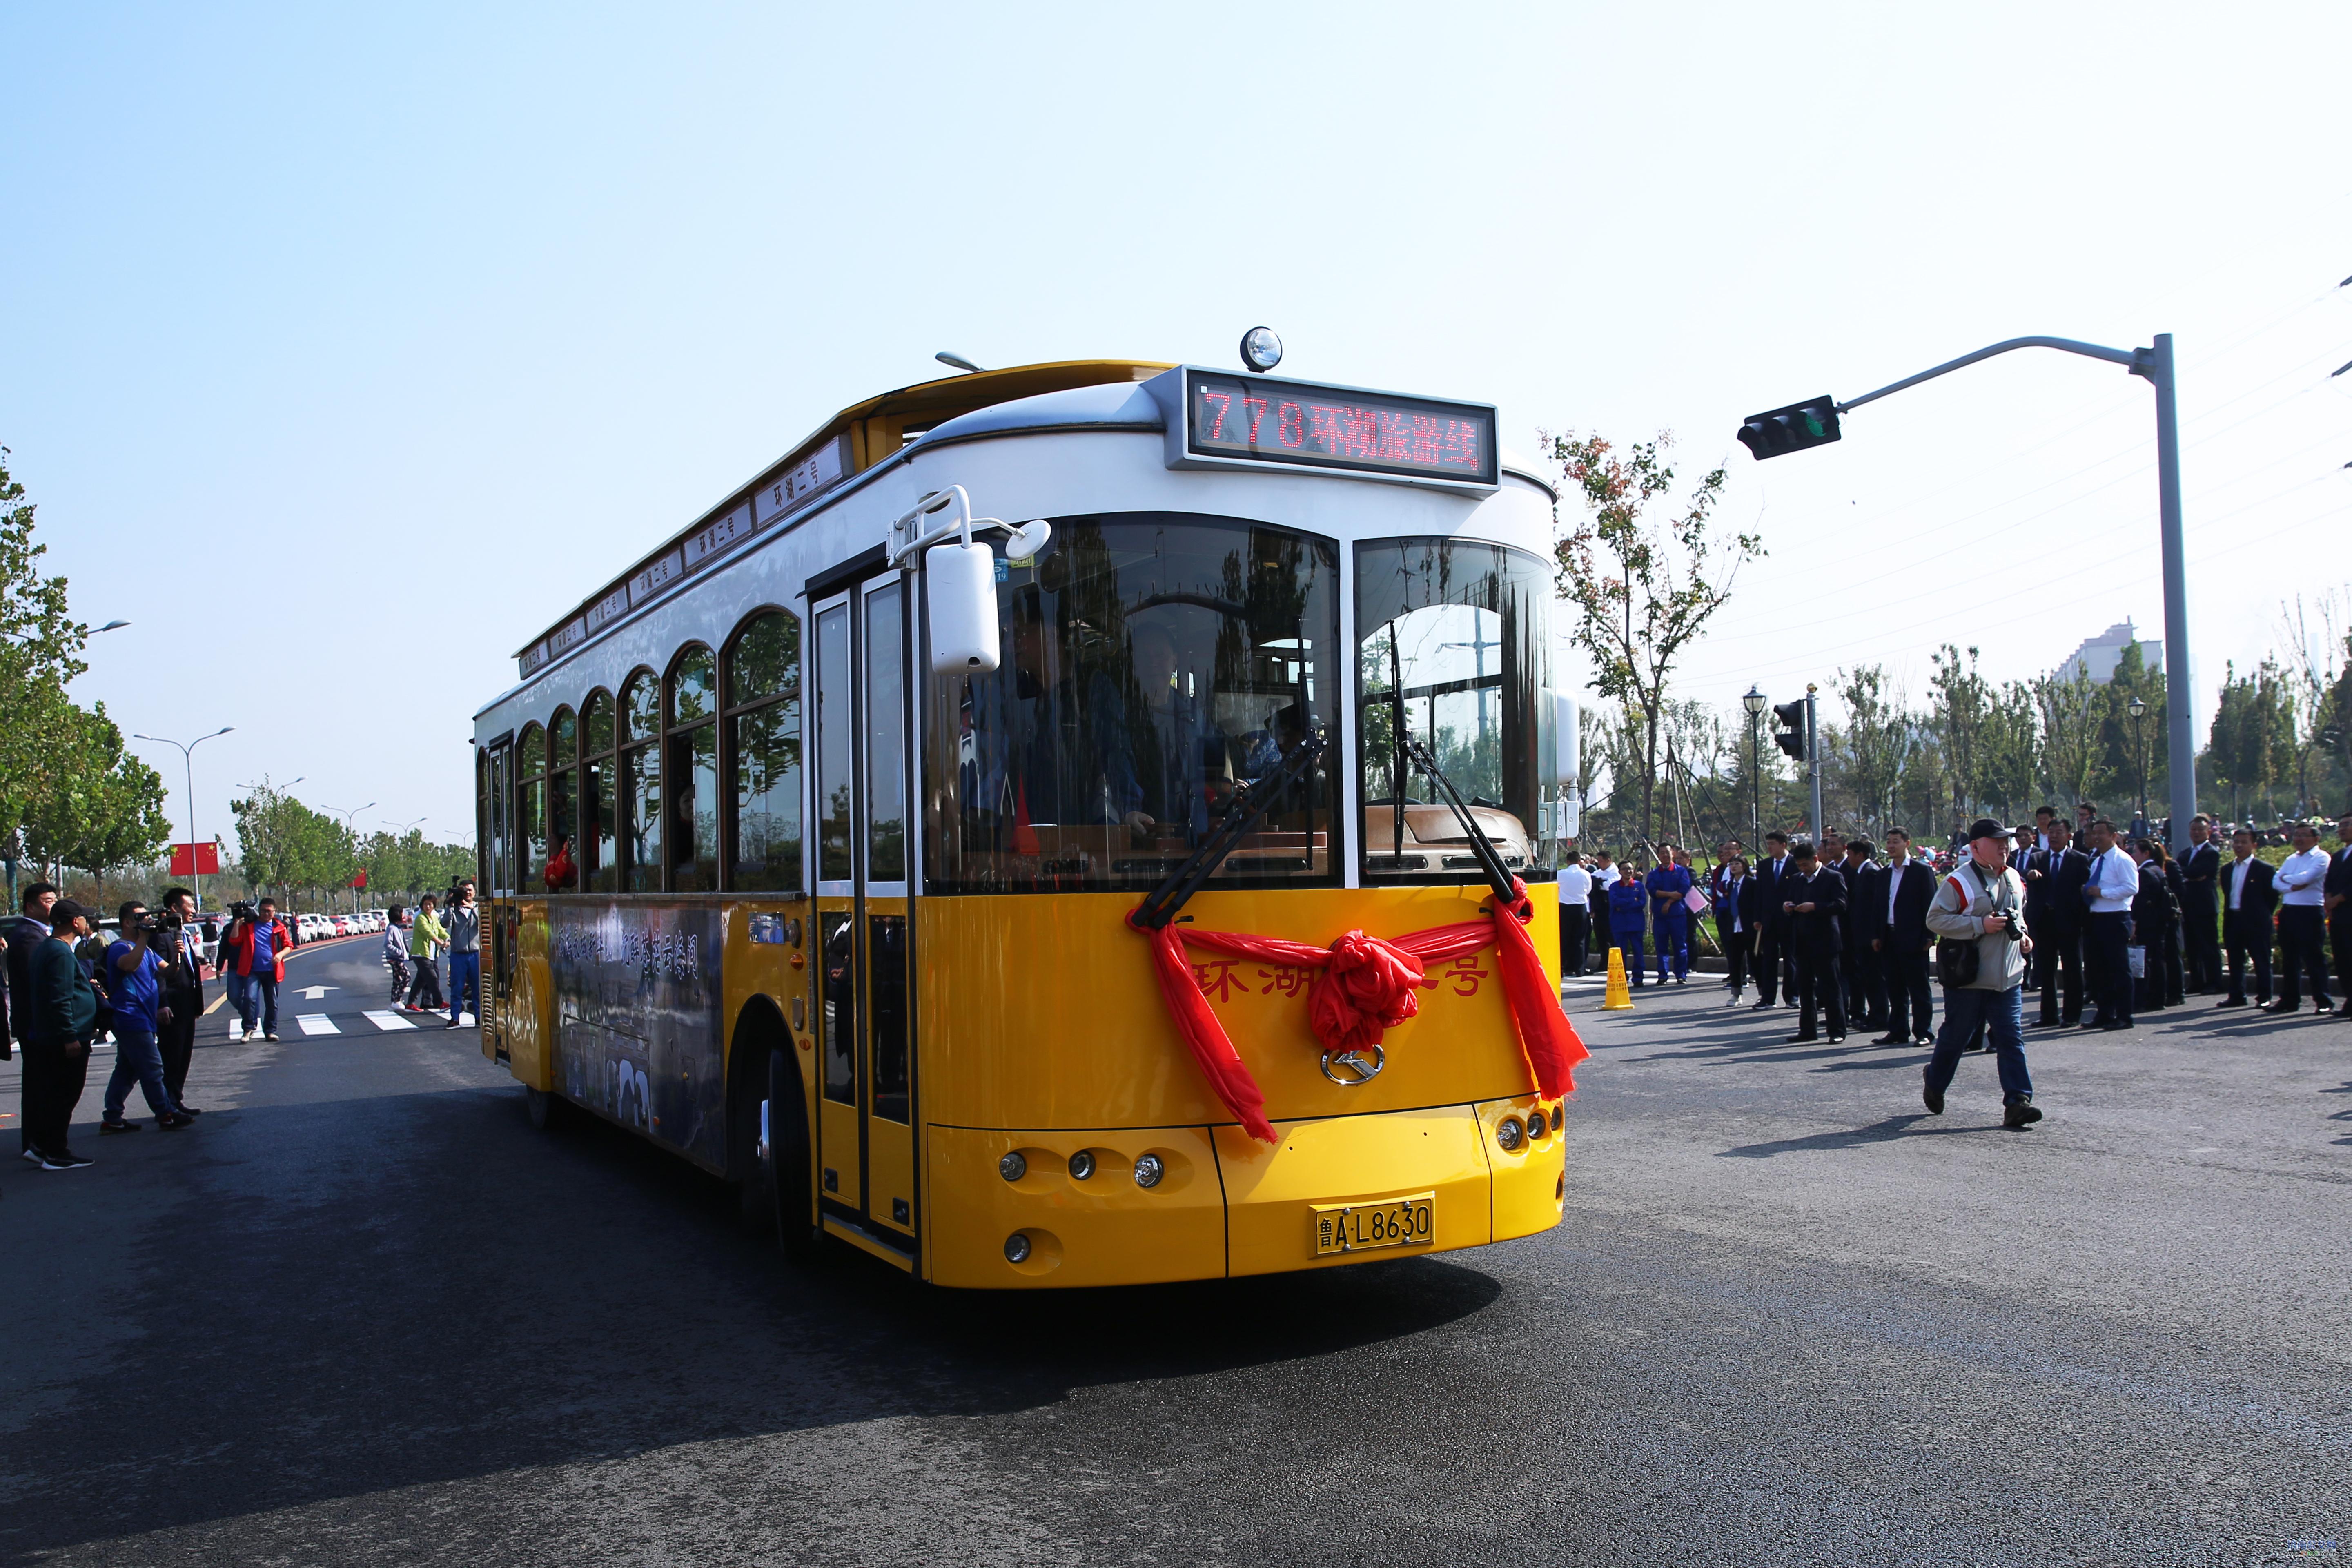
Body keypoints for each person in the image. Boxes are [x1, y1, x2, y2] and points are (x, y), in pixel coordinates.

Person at [1922, 817, 2040, 1127]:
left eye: (2007, 841)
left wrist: (2024, 937)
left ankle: (2018, 1101)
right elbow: (1935, 921)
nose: (2005, 846)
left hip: (2008, 977)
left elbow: (2019, 915)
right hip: (1969, 978)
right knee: (1956, 1038)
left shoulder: (2014, 877)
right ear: (1975, 847)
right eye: (1996, 841)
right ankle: (1934, 1080)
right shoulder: (1958, 882)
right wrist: (1979, 926)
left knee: (2011, 1038)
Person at [98, 901, 196, 1134]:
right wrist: (143, 938)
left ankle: (112, 1117)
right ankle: (165, 1113)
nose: (146, 921)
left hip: (144, 1017)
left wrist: (178, 957)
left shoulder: (148, 950)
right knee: (153, 1068)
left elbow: (168, 972)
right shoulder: (120, 948)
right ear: (127, 922)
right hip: (130, 1017)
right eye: (140, 918)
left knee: (127, 1070)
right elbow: (129, 966)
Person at [22, 899, 101, 1168]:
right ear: (73, 922)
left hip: (52, 1035)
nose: (86, 922)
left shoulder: (50, 948)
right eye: (83, 917)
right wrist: (70, 1037)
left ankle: (42, 1145)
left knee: (52, 1094)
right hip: (66, 1037)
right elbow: (60, 998)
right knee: (64, 1095)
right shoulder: (58, 951)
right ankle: (56, 1152)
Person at [1871, 827, 1938, 1046]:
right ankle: (1898, 1031)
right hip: (1889, 937)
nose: (1891, 846)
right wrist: (1876, 934)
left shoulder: (1921, 871)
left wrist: (1930, 935)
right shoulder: (1884, 874)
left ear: (1907, 844)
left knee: (1918, 988)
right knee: (1895, 988)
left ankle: (1924, 1032)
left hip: (1914, 938)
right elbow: (1879, 907)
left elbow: (1930, 904)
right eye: (1889, 842)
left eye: (1896, 842)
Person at [8, 882, 61, 1160]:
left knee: (40, 1085)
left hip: (35, 1024)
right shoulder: (30, 937)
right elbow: (40, 979)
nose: (54, 904)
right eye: (48, 900)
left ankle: (37, 1143)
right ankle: (38, 1144)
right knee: (41, 1086)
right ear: (31, 905)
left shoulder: (36, 934)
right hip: (36, 1025)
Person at [1779, 841, 1848, 1043]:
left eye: (1805, 865)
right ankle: (1808, 1030)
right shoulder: (1798, 880)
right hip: (1803, 941)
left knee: (1830, 987)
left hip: (1826, 941)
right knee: (1805, 988)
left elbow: (1841, 905)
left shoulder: (1833, 877)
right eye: (1799, 866)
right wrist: (1788, 907)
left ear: (1816, 860)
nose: (1803, 869)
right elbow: (1791, 900)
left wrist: (1815, 907)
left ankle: (1837, 1030)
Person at [2267, 822, 2335, 1015]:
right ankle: (2289, 1000)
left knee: (2314, 958)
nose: (2299, 839)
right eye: (2297, 835)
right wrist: (2290, 883)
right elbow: (2275, 881)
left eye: (2304, 835)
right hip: (2290, 910)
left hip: (2310, 911)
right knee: (2290, 958)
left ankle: (2323, 1000)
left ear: (2316, 838)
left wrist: (2287, 879)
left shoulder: (2322, 857)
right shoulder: (2292, 858)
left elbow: (2306, 878)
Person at [2027, 820, 2089, 1027]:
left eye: (2059, 832)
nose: (2054, 836)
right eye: (2051, 832)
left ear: (2069, 836)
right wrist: (2030, 875)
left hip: (2070, 922)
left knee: (2072, 969)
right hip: (2044, 922)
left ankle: (2072, 1015)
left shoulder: (2080, 860)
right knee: (2045, 970)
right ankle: (2048, 1015)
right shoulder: (2037, 858)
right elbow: (2025, 878)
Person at [2080, 818, 2139, 1031]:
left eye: (2101, 833)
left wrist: (2103, 893)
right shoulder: (2097, 860)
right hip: (2098, 917)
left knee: (2119, 969)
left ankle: (2125, 1015)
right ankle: (2105, 1013)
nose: (2096, 837)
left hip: (2116, 917)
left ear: (2113, 836)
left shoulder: (2122, 860)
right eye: (2094, 833)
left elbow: (2131, 888)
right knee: (2099, 970)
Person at [2216, 826, 2278, 1008]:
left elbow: (2272, 897)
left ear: (2254, 845)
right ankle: (2237, 995)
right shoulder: (2227, 869)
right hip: (2234, 918)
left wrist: (2261, 914)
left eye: (2244, 842)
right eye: (2236, 842)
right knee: (2235, 960)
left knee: (2261, 959)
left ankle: (2264, 996)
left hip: (2256, 921)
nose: (2239, 846)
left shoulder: (2264, 869)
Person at [219, 896, 291, 1041]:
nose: (266, 914)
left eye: (269, 911)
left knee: (272, 1003)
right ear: (259, 911)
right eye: (263, 911)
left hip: (272, 971)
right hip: (252, 970)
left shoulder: (279, 927)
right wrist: (238, 922)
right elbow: (234, 941)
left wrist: (280, 955)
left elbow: (289, 946)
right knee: (249, 999)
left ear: (274, 911)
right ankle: (248, 1030)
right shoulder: (249, 926)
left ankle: (270, 1031)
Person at [2130, 840, 2182, 1013]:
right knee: (2158, 960)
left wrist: (2135, 922)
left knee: (2149, 962)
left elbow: (2142, 902)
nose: (2133, 855)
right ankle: (2158, 997)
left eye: (2136, 851)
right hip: (2160, 922)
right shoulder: (2159, 870)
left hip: (2149, 923)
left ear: (2146, 854)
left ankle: (2150, 997)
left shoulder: (2146, 873)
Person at [1839, 837, 1884, 1028]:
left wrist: (1875, 934)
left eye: (1850, 854)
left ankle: (1880, 1018)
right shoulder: (1860, 873)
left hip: (1869, 937)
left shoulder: (1871, 872)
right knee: (1867, 979)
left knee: (1875, 980)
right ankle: (1873, 1016)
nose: (1848, 858)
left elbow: (1875, 907)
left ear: (1860, 855)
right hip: (1860, 935)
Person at [1749, 830, 1797, 1011]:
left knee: (1791, 959)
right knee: (1769, 959)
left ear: (1783, 845)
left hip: (1789, 919)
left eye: (1772, 844)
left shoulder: (1794, 864)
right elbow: (1759, 893)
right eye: (1768, 844)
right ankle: (1768, 998)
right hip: (1768, 920)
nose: (1769, 848)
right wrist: (1757, 918)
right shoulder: (1765, 865)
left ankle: (1792, 996)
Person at [2178, 815, 2223, 993]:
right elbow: (2178, 873)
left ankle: (2214, 982)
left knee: (2208, 946)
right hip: (2188, 905)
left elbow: (2198, 872)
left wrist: (2189, 875)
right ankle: (2197, 982)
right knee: (2192, 947)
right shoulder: (2185, 854)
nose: (2196, 833)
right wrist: (2190, 876)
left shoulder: (2211, 853)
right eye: (2194, 830)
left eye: (2200, 830)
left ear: (2209, 832)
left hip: (2205, 906)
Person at [1644, 843, 1694, 986]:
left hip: (1678, 914)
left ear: (1672, 853)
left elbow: (1683, 891)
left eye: (1668, 852)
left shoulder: (1681, 872)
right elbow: (1653, 891)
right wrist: (1670, 895)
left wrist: (1668, 902)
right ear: (1658, 855)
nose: (1665, 856)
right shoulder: (1654, 873)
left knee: (1680, 945)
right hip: (1660, 916)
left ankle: (1681, 975)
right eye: (1662, 853)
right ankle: (1663, 975)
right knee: (1661, 946)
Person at [1717, 856, 1757, 1002]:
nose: (1734, 867)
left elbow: (1757, 904)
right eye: (1731, 864)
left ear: (1744, 866)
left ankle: (1764, 994)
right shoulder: (1730, 884)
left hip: (1749, 927)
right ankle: (1736, 993)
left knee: (1756, 961)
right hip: (1734, 927)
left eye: (1737, 864)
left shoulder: (1751, 883)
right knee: (1735, 962)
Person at [1606, 858, 1648, 987]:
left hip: (1636, 924)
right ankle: (1622, 977)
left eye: (1630, 869)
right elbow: (1615, 902)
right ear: (1620, 871)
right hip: (1620, 925)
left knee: (1638, 952)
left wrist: (1624, 903)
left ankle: (1639, 977)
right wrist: (1632, 901)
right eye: (1625, 869)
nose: (1628, 871)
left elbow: (1641, 903)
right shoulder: (1614, 887)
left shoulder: (1638, 886)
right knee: (1620, 953)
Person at [445, 882, 481, 1028]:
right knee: (457, 988)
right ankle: (455, 1018)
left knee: (478, 988)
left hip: (475, 953)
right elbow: (444, 924)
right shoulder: (455, 910)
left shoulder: (478, 908)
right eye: (464, 891)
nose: (467, 893)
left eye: (470, 890)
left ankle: (479, 1017)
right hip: (458, 954)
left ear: (474, 892)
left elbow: (486, 922)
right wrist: (450, 906)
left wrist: (473, 909)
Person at [2327, 809, 2352, 1019]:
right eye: (2341, 825)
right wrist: (2328, 900)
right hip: (2338, 916)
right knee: (2342, 959)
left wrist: (2339, 899)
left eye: (2347, 825)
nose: (2342, 829)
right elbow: (2330, 881)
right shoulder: (2339, 855)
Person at [409, 895, 449, 1011]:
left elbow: (441, 930)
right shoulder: (421, 918)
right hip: (421, 954)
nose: (428, 907)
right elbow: (428, 934)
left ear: (434, 906)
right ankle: (440, 1002)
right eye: (426, 904)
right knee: (432, 977)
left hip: (431, 954)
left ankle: (410, 1003)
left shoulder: (434, 918)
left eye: (430, 904)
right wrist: (441, 943)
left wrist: (448, 939)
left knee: (420, 980)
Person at [1587, 851, 1618, 966]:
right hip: (1598, 909)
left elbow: (1609, 886)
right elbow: (1592, 883)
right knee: (1601, 937)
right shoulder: (1599, 872)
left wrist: (1599, 883)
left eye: (1601, 861)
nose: (1599, 863)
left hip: (1609, 909)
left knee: (1611, 936)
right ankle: (1604, 962)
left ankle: (1614, 962)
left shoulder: (1615, 872)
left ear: (1608, 860)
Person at [384, 904, 414, 1003]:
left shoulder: (397, 928)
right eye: (402, 914)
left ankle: (394, 1002)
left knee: (397, 980)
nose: (404, 916)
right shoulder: (392, 928)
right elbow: (387, 944)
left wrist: (408, 954)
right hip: (395, 958)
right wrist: (400, 953)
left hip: (398, 958)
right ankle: (397, 1000)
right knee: (407, 977)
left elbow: (403, 943)